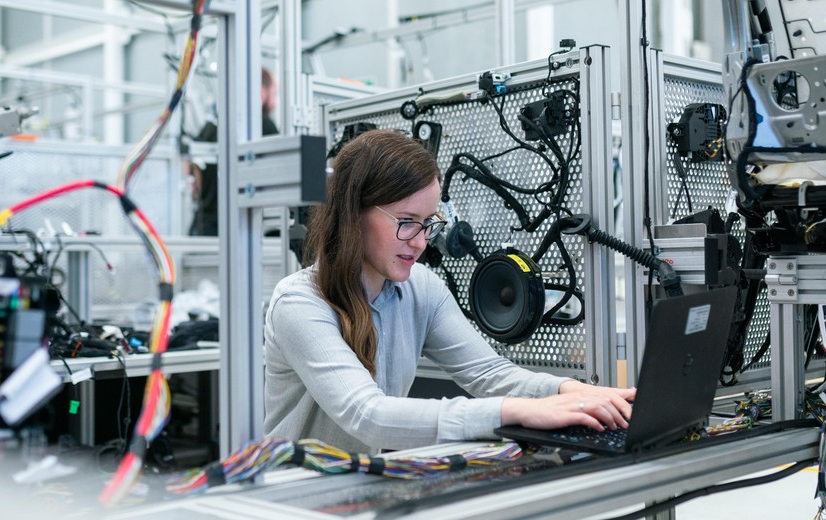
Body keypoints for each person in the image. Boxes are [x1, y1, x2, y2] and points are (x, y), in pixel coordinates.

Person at [263, 129, 635, 453]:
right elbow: (368, 415)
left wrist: (571, 392)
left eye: (428, 224)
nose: (421, 242)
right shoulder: (300, 303)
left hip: (358, 486)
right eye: (407, 223)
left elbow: (490, 374)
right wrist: (514, 411)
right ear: (353, 213)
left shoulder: (420, 289)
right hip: (295, 501)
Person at [187, 67, 278, 236]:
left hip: (204, 226)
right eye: (275, 93)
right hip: (241, 225)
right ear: (261, 91)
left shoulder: (212, 126)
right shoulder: (264, 125)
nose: (276, 100)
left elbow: (192, 173)